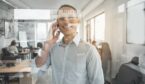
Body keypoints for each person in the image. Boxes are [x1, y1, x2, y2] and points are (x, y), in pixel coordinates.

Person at [35, 4, 104, 84]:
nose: (66, 22)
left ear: (77, 21)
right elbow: (38, 64)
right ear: (57, 24)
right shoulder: (53, 48)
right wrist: (46, 45)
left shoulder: (89, 50)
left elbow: (97, 82)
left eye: (71, 18)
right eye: (62, 18)